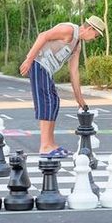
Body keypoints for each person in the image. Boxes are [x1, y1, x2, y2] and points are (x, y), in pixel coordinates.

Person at [19, 16, 105, 157]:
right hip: (39, 64)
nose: (94, 39)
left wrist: (80, 99)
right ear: (90, 29)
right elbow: (43, 36)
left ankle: (51, 144)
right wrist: (28, 60)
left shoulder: (77, 45)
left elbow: (74, 72)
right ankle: (45, 146)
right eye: (95, 36)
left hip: (47, 70)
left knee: (54, 103)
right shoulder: (69, 30)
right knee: (47, 102)